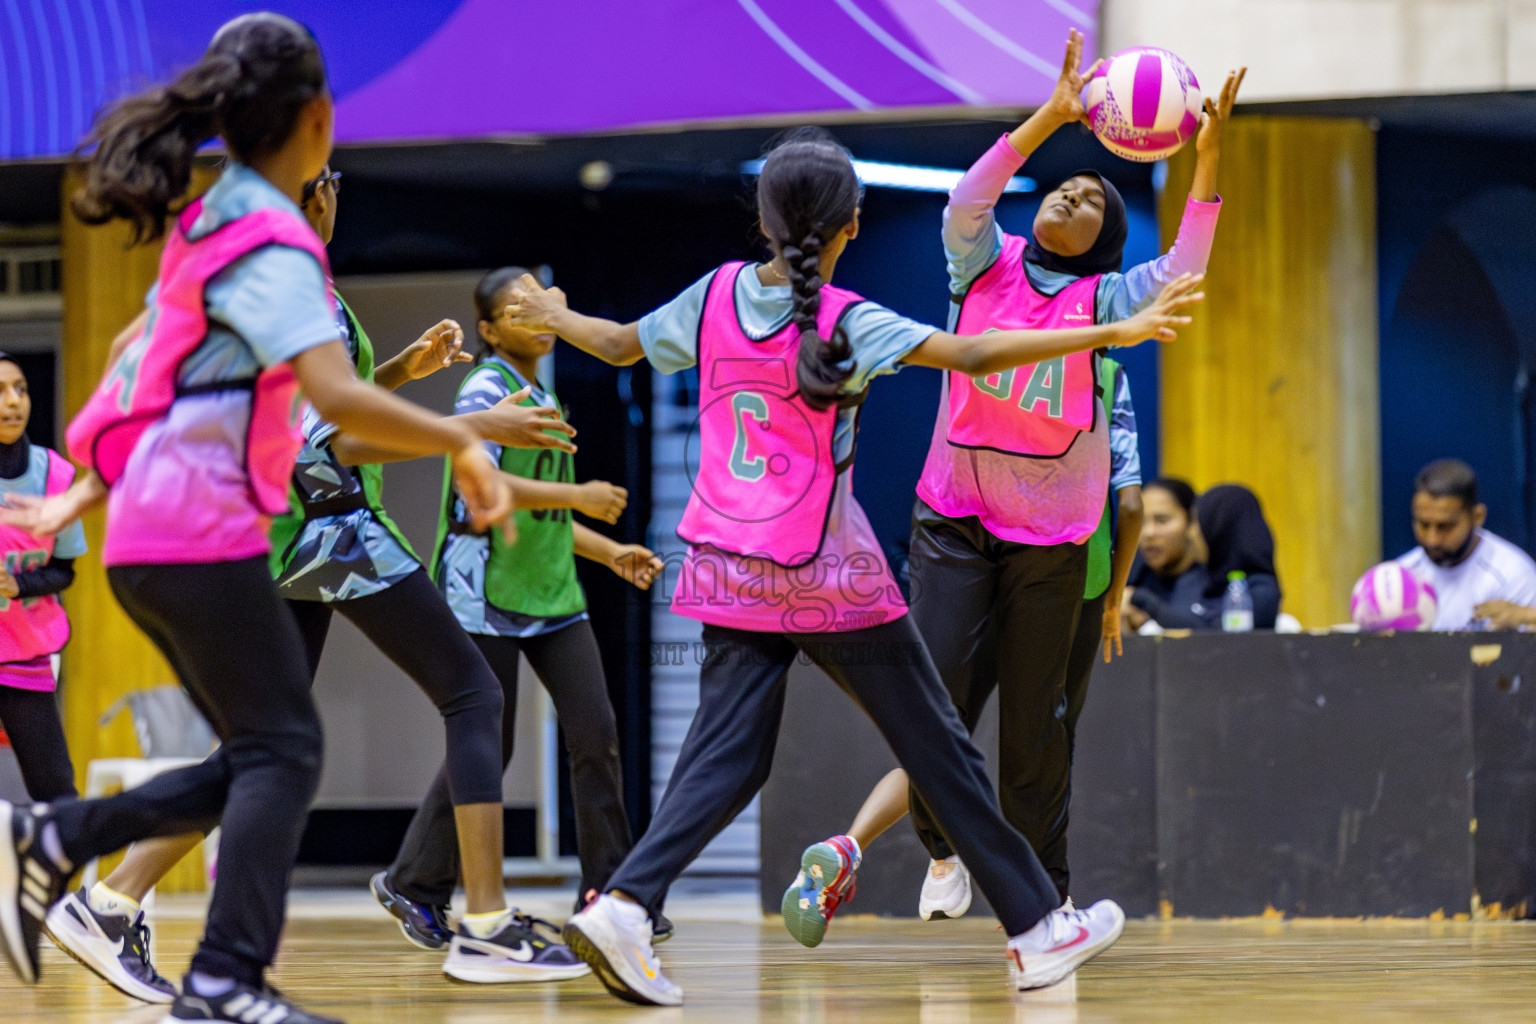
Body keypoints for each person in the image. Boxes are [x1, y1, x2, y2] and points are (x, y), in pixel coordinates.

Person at [500, 126, 1204, 1005]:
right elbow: (975, 354)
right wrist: (1115, 329)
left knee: (727, 757)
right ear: (853, 224)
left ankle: (626, 905)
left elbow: (614, 344)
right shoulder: (848, 320)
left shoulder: (715, 295)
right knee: (937, 743)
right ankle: (1035, 928)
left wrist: (555, 317)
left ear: (765, 218)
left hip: (724, 564)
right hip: (827, 570)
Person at [0, 15, 520, 1024]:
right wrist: (461, 440)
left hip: (152, 534)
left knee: (268, 747)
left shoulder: (207, 224)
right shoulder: (278, 241)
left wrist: (81, 492)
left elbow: (134, 375)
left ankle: (73, 857)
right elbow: (333, 399)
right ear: (317, 121)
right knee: (283, 750)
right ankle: (216, 969)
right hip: (203, 532)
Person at [43, 167, 589, 1006]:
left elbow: (321, 413)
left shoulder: (280, 281)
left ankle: (111, 901)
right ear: (313, 194)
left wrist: (400, 368)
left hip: (284, 537)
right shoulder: (298, 284)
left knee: (262, 745)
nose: (338, 192)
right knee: (474, 695)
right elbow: (327, 447)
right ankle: (485, 925)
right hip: (333, 530)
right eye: (329, 178)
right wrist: (471, 428)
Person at [783, 31, 1238, 934]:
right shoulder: (982, 263)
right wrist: (1053, 117)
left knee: (1037, 730)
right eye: (1066, 186)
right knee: (935, 708)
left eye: (1092, 198)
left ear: (1104, 241)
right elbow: (968, 197)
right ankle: (945, 848)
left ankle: (1047, 902)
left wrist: (1209, 157)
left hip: (1054, 539)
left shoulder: (1108, 301)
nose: (1070, 193)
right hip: (953, 517)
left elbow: (1184, 268)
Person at [374, 265, 670, 948]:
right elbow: (480, 486)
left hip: (551, 590)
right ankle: (415, 883)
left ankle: (611, 897)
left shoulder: (545, 395)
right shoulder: (486, 389)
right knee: (489, 741)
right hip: (483, 588)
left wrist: (609, 552)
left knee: (595, 734)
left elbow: (544, 520)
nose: (535, 314)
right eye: (516, 308)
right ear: (489, 330)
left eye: (541, 301)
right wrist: (578, 496)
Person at [0, 355, 86, 807]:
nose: (13, 401)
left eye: (20, 389)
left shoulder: (55, 475)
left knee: (57, 793)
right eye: (0, 391)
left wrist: (19, 585)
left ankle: (66, 858)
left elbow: (65, 570)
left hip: (23, 653)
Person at [1398, 459, 1536, 630]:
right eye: (1424, 525)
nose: (1432, 540)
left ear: (1477, 516)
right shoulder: (1399, 578)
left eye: (1445, 526)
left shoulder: (1513, 576)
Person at [1192, 484, 1281, 630]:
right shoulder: (1203, 578)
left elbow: (1217, 636)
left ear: (1218, 528)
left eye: (1197, 523)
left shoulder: (1260, 591)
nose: (1191, 535)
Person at [1124, 477, 1206, 632]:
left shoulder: (1213, 584)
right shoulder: (1132, 580)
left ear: (1191, 522)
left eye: (1162, 520)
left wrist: (1143, 602)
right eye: (1141, 522)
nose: (1148, 533)